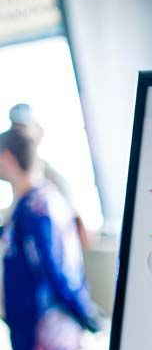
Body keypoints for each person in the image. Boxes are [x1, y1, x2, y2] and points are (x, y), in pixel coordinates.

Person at [0, 127, 101, 350]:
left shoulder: (34, 209)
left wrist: (87, 315)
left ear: (8, 158)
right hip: (50, 333)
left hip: (39, 337)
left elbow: (53, 271)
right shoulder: (44, 200)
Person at [7, 103, 90, 248]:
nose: (19, 138)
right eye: (16, 130)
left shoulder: (53, 181)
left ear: (38, 133)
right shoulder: (10, 171)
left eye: (23, 130)